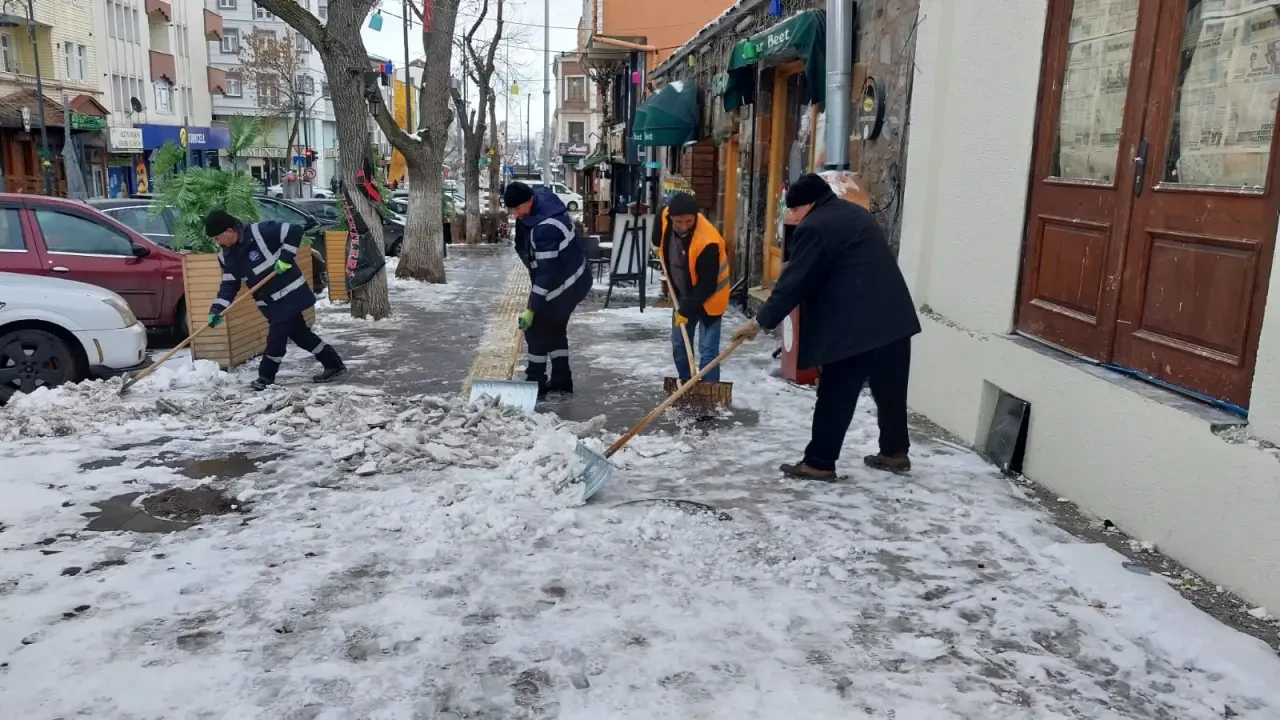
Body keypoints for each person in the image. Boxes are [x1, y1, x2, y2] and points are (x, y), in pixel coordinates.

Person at [731, 173, 921, 479]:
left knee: (835, 394)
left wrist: (759, 321)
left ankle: (818, 463)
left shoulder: (815, 227)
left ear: (808, 205)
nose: (792, 216)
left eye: (794, 210)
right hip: (894, 318)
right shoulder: (855, 214)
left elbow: (795, 281)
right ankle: (895, 453)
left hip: (855, 328)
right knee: (890, 392)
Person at [205, 209, 347, 391]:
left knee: (276, 339)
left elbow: (295, 230)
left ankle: (265, 376)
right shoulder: (226, 256)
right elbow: (229, 285)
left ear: (229, 231)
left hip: (291, 295)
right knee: (301, 336)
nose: (217, 242)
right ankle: (333, 364)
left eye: (217, 238)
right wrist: (217, 309)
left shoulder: (261, 232)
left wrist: (286, 258)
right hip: (270, 303)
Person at [503, 181, 592, 398]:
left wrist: (532, 309)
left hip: (568, 281)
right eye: (511, 210)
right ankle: (561, 380)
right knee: (554, 327)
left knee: (537, 329)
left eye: (518, 209)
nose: (515, 215)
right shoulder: (541, 203)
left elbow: (546, 275)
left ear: (530, 200)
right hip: (572, 274)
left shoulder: (546, 228)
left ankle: (535, 382)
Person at [653, 192, 730, 382]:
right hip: (683, 293)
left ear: (696, 216)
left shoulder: (708, 241)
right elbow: (658, 224)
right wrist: (656, 244)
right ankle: (688, 384)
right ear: (671, 217)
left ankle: (708, 394)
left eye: (689, 221)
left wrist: (685, 310)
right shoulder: (665, 215)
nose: (684, 226)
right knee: (679, 344)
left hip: (711, 299)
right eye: (678, 221)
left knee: (708, 350)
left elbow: (707, 285)